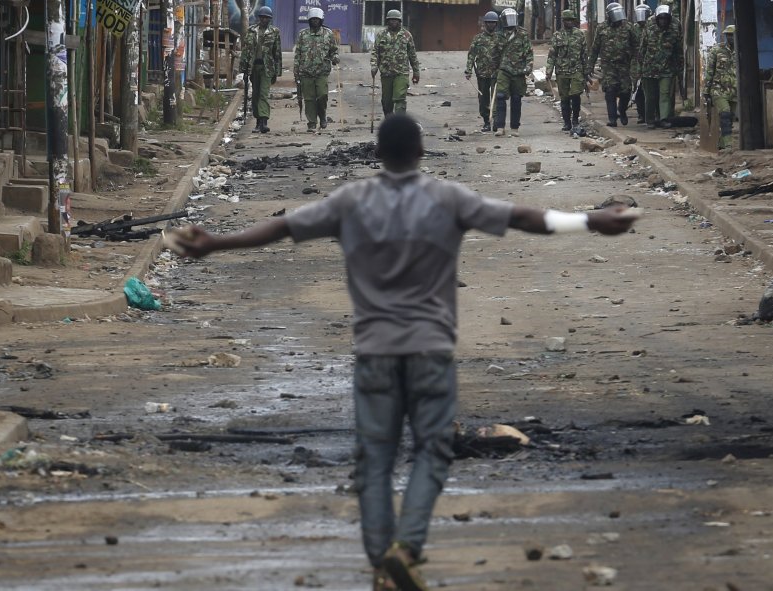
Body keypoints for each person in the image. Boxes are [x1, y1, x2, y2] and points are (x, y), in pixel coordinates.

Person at [171, 114, 638, 591]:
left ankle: (382, 562)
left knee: (373, 459)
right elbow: (522, 217)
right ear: (420, 152)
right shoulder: (446, 198)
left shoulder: (351, 201)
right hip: (430, 350)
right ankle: (406, 548)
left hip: (374, 351)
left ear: (378, 153)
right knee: (433, 450)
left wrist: (216, 243)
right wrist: (591, 221)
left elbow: (283, 228)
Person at [589, 2, 638, 127]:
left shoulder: (628, 27)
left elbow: (636, 46)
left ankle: (621, 111)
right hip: (608, 66)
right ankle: (612, 119)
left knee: (626, 91)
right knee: (610, 91)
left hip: (624, 65)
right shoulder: (601, 28)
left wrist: (637, 64)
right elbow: (595, 48)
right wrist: (590, 66)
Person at [294, 7, 339, 132]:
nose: (315, 22)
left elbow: (333, 51)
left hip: (322, 72)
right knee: (309, 99)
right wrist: (296, 70)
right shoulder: (303, 34)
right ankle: (312, 122)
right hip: (305, 72)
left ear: (321, 20)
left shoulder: (328, 34)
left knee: (322, 96)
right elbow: (298, 54)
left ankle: (322, 116)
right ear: (309, 20)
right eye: (312, 19)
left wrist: (335, 58)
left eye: (317, 20)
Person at [638, 3, 682, 129]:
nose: (663, 21)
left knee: (665, 93)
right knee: (651, 96)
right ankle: (650, 120)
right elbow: (643, 47)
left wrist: (679, 67)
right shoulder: (649, 24)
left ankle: (664, 118)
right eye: (660, 19)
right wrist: (639, 68)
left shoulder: (675, 25)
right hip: (649, 67)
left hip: (667, 67)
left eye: (665, 19)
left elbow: (678, 48)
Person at [240, 5, 283, 133]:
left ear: (270, 19)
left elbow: (277, 53)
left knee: (264, 94)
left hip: (267, 67)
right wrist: (243, 69)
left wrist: (277, 71)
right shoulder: (251, 31)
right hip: (254, 67)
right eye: (262, 17)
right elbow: (246, 50)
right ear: (259, 18)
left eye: (267, 18)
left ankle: (264, 121)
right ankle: (258, 121)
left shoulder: (274, 32)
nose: (264, 20)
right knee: (256, 95)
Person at [370, 10, 420, 117]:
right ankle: (389, 121)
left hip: (401, 73)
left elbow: (412, 55)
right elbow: (375, 52)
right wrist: (374, 66)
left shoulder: (406, 35)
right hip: (386, 73)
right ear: (387, 21)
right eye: (391, 20)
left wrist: (416, 72)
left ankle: (399, 122)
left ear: (400, 21)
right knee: (387, 102)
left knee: (400, 98)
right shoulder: (381, 35)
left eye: (396, 20)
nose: (393, 22)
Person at [546, 10, 588, 133]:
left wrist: (586, 71)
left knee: (575, 95)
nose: (569, 22)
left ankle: (575, 119)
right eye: (567, 20)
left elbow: (584, 54)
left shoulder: (580, 35)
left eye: (571, 20)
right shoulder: (557, 35)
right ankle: (567, 122)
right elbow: (552, 55)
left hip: (577, 70)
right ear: (563, 21)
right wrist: (549, 71)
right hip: (562, 71)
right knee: (564, 98)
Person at [494, 8, 533, 137]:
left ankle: (514, 127)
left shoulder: (522, 34)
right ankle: (500, 126)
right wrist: (493, 69)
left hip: (518, 71)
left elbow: (528, 53)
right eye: (508, 19)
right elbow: (494, 54)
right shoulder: (498, 35)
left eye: (512, 18)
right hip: (504, 70)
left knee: (516, 99)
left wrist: (529, 66)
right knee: (500, 97)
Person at [465, 11, 503, 132]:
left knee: (496, 98)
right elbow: (471, 55)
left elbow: (505, 55)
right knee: (483, 99)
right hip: (482, 74)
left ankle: (496, 121)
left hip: (496, 73)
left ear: (496, 24)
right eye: (489, 23)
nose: (491, 25)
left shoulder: (500, 38)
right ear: (485, 24)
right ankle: (486, 121)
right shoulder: (478, 39)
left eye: (493, 23)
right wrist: (468, 70)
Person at [704, 25, 737, 149]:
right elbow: (709, 71)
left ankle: (722, 144)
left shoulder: (741, 50)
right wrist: (706, 91)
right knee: (725, 112)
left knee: (730, 118)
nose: (730, 38)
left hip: (734, 90)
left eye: (732, 35)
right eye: (728, 35)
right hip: (719, 89)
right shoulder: (717, 50)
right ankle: (728, 143)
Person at [631, 2, 652, 124]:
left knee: (650, 90)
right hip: (636, 64)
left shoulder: (652, 28)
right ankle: (641, 114)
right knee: (637, 89)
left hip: (649, 63)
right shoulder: (633, 29)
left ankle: (651, 114)